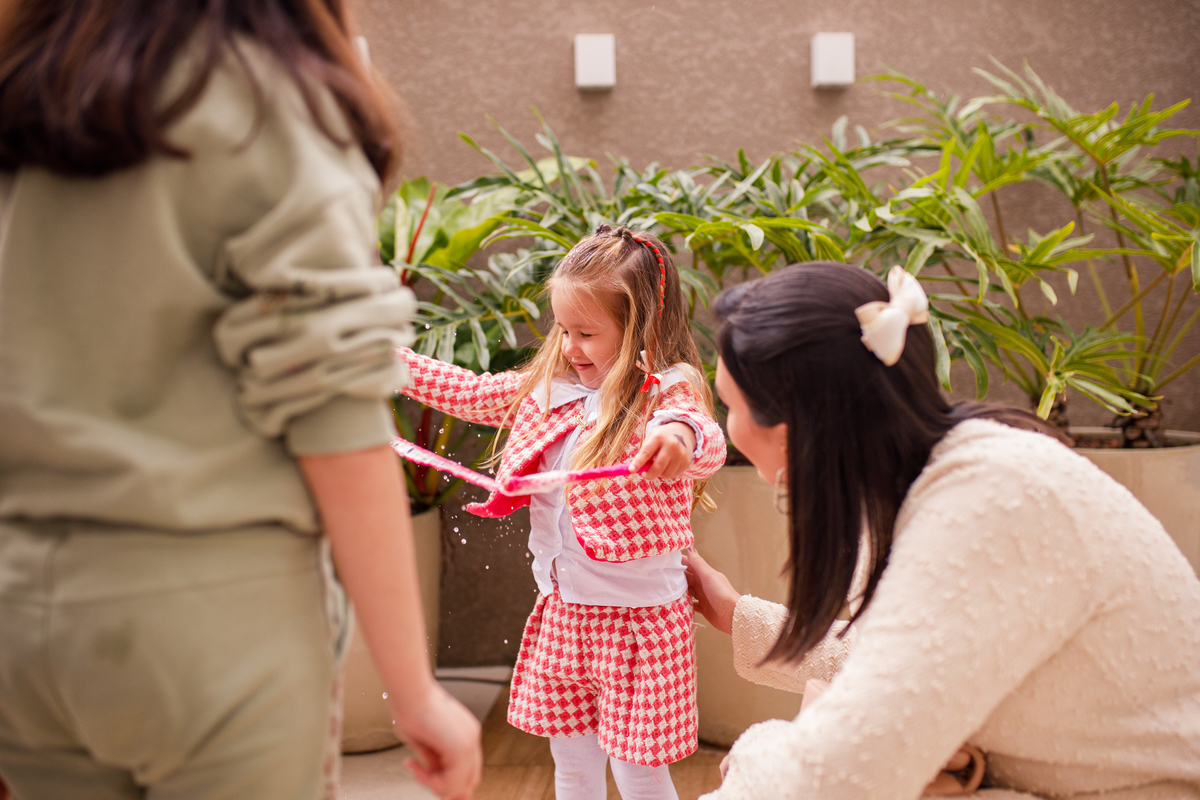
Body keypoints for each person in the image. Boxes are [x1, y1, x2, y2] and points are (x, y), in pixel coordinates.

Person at [0, 2, 481, 798]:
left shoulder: (27, 93)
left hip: (26, 621)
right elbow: (339, 429)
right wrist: (417, 691)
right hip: (207, 629)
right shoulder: (264, 102)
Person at [685, 263, 1200, 799]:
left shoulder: (985, 505)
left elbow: (840, 774)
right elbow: (901, 663)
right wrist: (737, 615)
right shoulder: (926, 480)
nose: (727, 428)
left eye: (730, 405)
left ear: (794, 429)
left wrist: (756, 750)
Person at [397, 224, 727, 800]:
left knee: (637, 772)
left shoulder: (664, 390)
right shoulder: (553, 389)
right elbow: (472, 392)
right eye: (563, 329)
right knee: (571, 766)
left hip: (640, 625)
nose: (570, 347)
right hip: (563, 611)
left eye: (587, 333)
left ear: (640, 328)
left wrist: (677, 438)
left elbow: (701, 431)